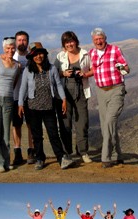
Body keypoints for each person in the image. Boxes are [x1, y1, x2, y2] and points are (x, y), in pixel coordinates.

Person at [18, 42, 74, 170]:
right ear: (32, 57)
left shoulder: (51, 68)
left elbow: (58, 84)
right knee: (37, 136)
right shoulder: (28, 70)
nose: (38, 57)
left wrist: (64, 99)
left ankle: (61, 159)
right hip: (32, 107)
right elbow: (23, 88)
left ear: (44, 54)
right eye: (35, 55)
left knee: (53, 133)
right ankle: (39, 159)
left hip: (49, 106)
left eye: (40, 54)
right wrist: (20, 104)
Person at [89, 28, 130, 168]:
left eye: (100, 38)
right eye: (96, 40)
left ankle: (106, 157)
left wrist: (122, 68)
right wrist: (83, 75)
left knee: (109, 121)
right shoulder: (92, 53)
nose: (99, 41)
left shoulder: (115, 50)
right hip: (101, 91)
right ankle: (119, 155)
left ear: (105, 38)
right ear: (93, 41)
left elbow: (126, 68)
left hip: (116, 89)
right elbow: (94, 70)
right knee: (105, 124)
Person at [54, 31, 93, 163]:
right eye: (66, 42)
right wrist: (63, 73)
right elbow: (53, 74)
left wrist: (85, 74)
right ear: (63, 45)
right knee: (65, 123)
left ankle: (83, 152)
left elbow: (94, 69)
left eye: (71, 41)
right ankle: (67, 152)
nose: (70, 44)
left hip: (81, 92)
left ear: (76, 41)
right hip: (64, 94)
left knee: (82, 123)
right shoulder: (60, 56)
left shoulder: (85, 54)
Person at [0, 37, 21, 172]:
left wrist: (7, 95)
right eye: (8, 48)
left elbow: (14, 83)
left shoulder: (18, 65)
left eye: (13, 48)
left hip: (8, 100)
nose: (10, 50)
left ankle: (6, 161)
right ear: (3, 48)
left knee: (6, 131)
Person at [12, 31, 35, 165]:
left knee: (31, 125)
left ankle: (31, 151)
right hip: (15, 96)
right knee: (16, 125)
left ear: (28, 41)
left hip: (30, 96)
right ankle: (17, 152)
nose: (22, 42)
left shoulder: (32, 57)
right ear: (16, 42)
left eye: (24, 40)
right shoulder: (12, 56)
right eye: (19, 40)